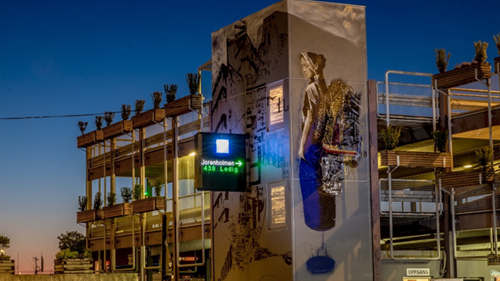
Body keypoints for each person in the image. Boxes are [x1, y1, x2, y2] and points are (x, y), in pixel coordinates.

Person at [298, 52, 336, 231]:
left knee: (309, 179)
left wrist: (301, 145)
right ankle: (327, 218)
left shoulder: (311, 88)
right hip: (324, 141)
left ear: (313, 66)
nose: (303, 69)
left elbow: (309, 118)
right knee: (324, 179)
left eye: (306, 66)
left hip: (312, 141)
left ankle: (315, 220)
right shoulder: (323, 86)